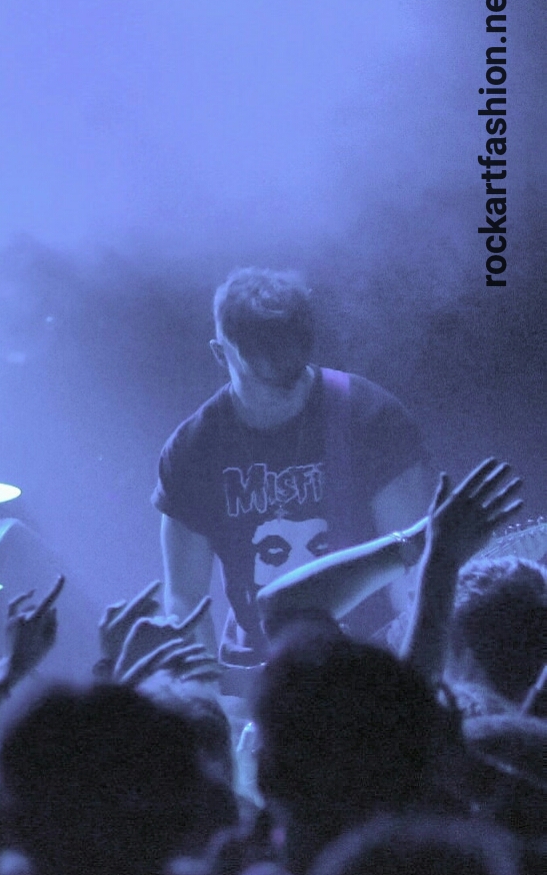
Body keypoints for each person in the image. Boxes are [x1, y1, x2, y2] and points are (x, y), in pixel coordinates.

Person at [155, 268, 430, 669]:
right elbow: (185, 598)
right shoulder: (193, 450)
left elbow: (413, 563)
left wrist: (412, 669)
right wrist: (206, 687)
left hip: (372, 659)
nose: (286, 388)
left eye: (293, 371)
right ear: (220, 353)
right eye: (263, 377)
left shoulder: (370, 416)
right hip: (260, 670)